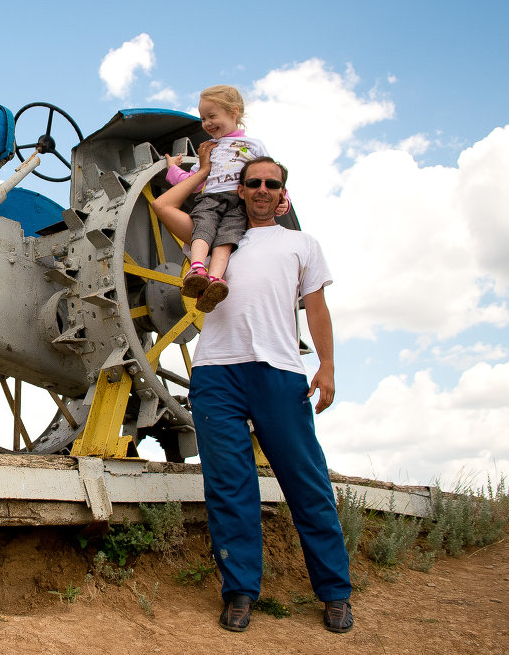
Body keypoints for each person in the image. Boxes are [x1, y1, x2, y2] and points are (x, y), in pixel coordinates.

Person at [152, 153, 353, 635]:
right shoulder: (212, 240)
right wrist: (204, 173)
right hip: (217, 373)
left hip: (279, 371)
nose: (262, 189)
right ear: (240, 190)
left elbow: (317, 311)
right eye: (253, 182)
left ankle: (335, 593)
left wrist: (325, 366)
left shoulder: (303, 245)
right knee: (228, 488)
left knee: (307, 483)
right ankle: (240, 592)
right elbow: (162, 205)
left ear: (283, 196)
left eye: (272, 184)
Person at [158, 85, 285, 313]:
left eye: (212, 116)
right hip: (211, 199)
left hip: (237, 204)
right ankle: (197, 270)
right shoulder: (209, 148)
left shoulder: (253, 145)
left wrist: (284, 199)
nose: (207, 123)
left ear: (233, 112)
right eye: (203, 118)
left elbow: (270, 174)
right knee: (203, 229)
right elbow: (194, 182)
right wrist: (172, 169)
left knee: (226, 239)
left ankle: (215, 280)